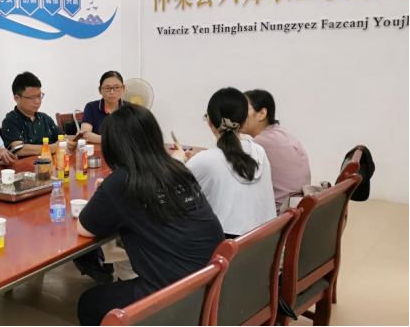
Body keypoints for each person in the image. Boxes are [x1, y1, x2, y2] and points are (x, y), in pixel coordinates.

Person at [76, 104, 224, 325]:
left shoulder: (121, 181)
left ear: (113, 146)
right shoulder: (177, 168)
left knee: (89, 303)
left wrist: (107, 195)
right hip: (212, 280)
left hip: (172, 294)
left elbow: (84, 228)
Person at [172, 87, 276, 238]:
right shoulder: (259, 152)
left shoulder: (206, 160)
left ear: (209, 120)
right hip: (264, 240)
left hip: (224, 244)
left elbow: (170, 188)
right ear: (244, 121)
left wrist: (178, 159)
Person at [243, 89, 311, 212]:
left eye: (243, 109)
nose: (238, 115)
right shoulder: (283, 133)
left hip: (279, 216)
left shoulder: (261, 143)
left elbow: (225, 164)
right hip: (297, 210)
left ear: (262, 113)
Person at [1, 71, 64, 157]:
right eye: (32, 97)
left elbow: (62, 137)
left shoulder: (45, 118)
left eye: (39, 96)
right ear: (17, 98)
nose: (37, 101)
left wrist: (78, 137)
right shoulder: (10, 121)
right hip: (26, 165)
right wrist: (51, 148)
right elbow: (19, 149)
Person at [72, 71, 126, 147]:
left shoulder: (130, 109)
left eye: (117, 87)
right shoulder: (91, 107)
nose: (112, 92)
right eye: (107, 88)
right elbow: (85, 134)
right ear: (100, 90)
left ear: (123, 88)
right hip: (97, 151)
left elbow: (130, 139)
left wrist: (99, 138)